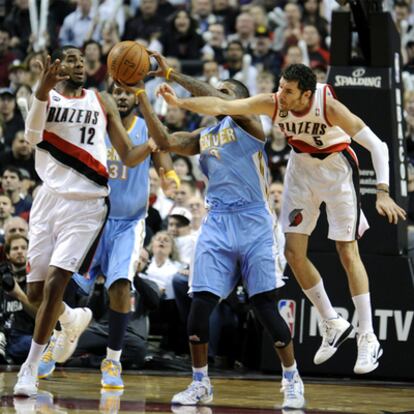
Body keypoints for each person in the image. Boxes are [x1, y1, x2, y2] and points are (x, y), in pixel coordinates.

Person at [158, 63, 407, 375]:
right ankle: (332, 322)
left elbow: (378, 146)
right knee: (292, 253)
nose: (281, 94)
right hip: (301, 169)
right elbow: (221, 104)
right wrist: (180, 103)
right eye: (280, 86)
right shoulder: (274, 103)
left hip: (337, 169)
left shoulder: (328, 105)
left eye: (288, 90)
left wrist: (382, 192)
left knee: (346, 251)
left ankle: (368, 336)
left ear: (306, 94)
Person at [126, 52, 305, 409]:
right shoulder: (204, 135)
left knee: (264, 307)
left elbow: (218, 98)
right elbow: (164, 140)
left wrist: (174, 75)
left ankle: (292, 379)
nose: (214, 94)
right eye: (215, 90)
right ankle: (200, 383)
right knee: (198, 308)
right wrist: (143, 96)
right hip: (218, 220)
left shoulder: (251, 123)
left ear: (236, 99)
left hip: (254, 221)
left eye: (223, 91)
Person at [13, 45, 158, 397]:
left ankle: (28, 369)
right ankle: (70, 319)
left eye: (82, 59)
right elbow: (32, 137)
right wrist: (40, 91)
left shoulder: (102, 100)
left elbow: (127, 153)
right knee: (34, 291)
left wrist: (156, 142)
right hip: (48, 200)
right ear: (58, 66)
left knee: (55, 284)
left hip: (88, 203)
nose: (79, 63)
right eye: (71, 59)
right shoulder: (46, 99)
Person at [37, 81, 178, 389]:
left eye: (129, 91)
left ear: (136, 97)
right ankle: (60, 334)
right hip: (93, 215)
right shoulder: (96, 125)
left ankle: (112, 360)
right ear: (110, 96)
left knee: (120, 287)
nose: (123, 96)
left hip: (128, 223)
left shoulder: (146, 128)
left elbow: (162, 154)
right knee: (65, 284)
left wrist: (169, 178)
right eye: (118, 91)